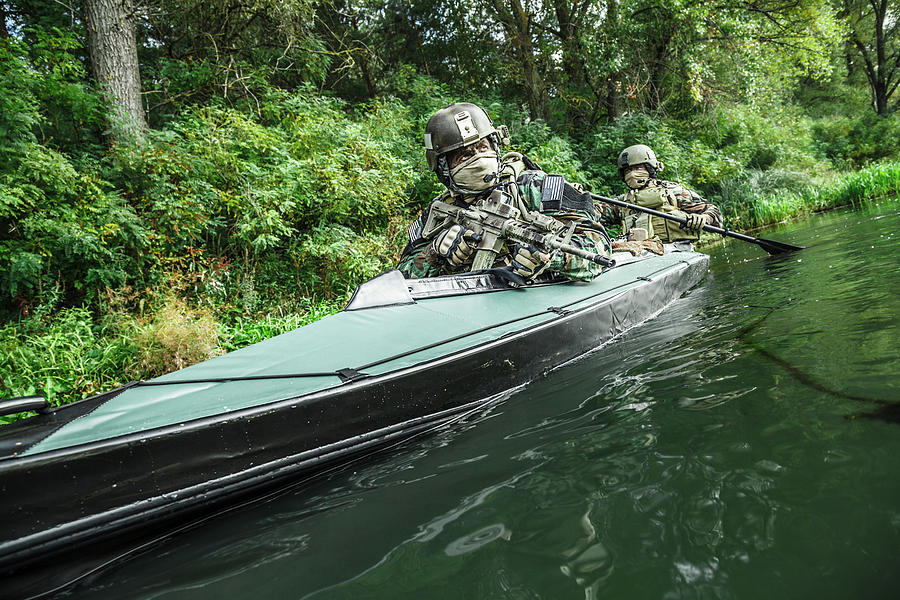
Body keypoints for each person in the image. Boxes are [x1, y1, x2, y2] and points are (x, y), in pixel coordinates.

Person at [398, 102, 611, 283]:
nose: (478, 159)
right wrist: (435, 253)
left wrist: (550, 258)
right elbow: (403, 275)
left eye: (483, 147)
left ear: (496, 146)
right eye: (463, 156)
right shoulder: (439, 210)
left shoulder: (535, 186)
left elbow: (598, 245)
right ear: (443, 168)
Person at [597, 144, 723, 245]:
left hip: (676, 250)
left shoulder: (673, 192)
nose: (632, 174)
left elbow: (714, 212)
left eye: (638, 168)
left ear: (650, 168)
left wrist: (703, 218)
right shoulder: (622, 202)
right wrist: (578, 196)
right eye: (628, 170)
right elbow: (593, 211)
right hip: (642, 255)